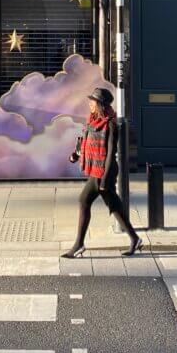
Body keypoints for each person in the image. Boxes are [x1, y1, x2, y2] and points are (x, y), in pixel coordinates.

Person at [62, 87, 143, 259]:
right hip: (95, 168)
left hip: (104, 171)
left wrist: (105, 178)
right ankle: (135, 238)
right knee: (114, 205)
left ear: (101, 104)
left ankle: (78, 245)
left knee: (84, 200)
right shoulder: (93, 120)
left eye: (93, 101)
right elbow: (86, 141)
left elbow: (111, 152)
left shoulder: (111, 124)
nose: (90, 103)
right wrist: (76, 155)